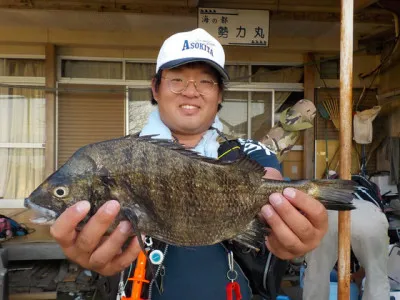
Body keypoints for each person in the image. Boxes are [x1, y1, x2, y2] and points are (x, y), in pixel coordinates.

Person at [50, 28, 329, 299]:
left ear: (220, 95)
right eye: (177, 79)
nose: (191, 91)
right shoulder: (119, 159)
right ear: (156, 88)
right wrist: (87, 252)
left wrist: (289, 233)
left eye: (205, 81)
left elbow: (269, 181)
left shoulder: (246, 153)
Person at [302, 172, 390, 300]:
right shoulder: (371, 187)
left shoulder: (330, 184)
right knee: (376, 273)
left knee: (317, 272)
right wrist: (360, 274)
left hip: (331, 211)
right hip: (369, 213)